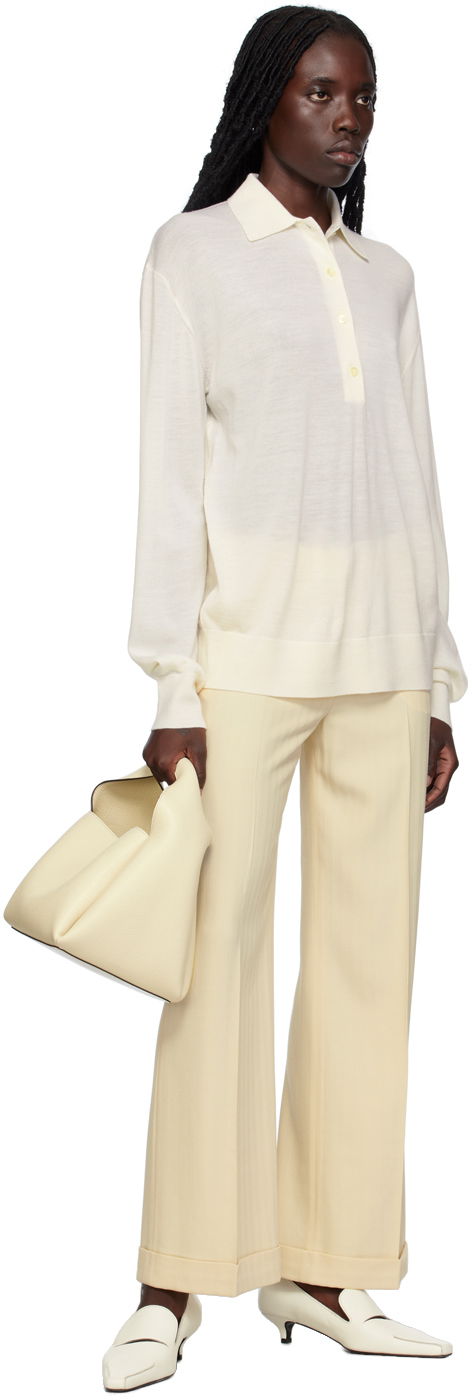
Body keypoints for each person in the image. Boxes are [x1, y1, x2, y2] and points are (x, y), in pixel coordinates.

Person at [102, 5, 467, 1386]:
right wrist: (172, 679)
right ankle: (174, 1280)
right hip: (243, 666)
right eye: (320, 91)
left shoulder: (388, 275)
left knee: (372, 972)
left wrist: (438, 681)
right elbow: (168, 476)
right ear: (265, 97)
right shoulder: (192, 253)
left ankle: (326, 1269)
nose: (345, 117)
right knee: (215, 965)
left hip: (381, 665)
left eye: (363, 96)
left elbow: (417, 481)